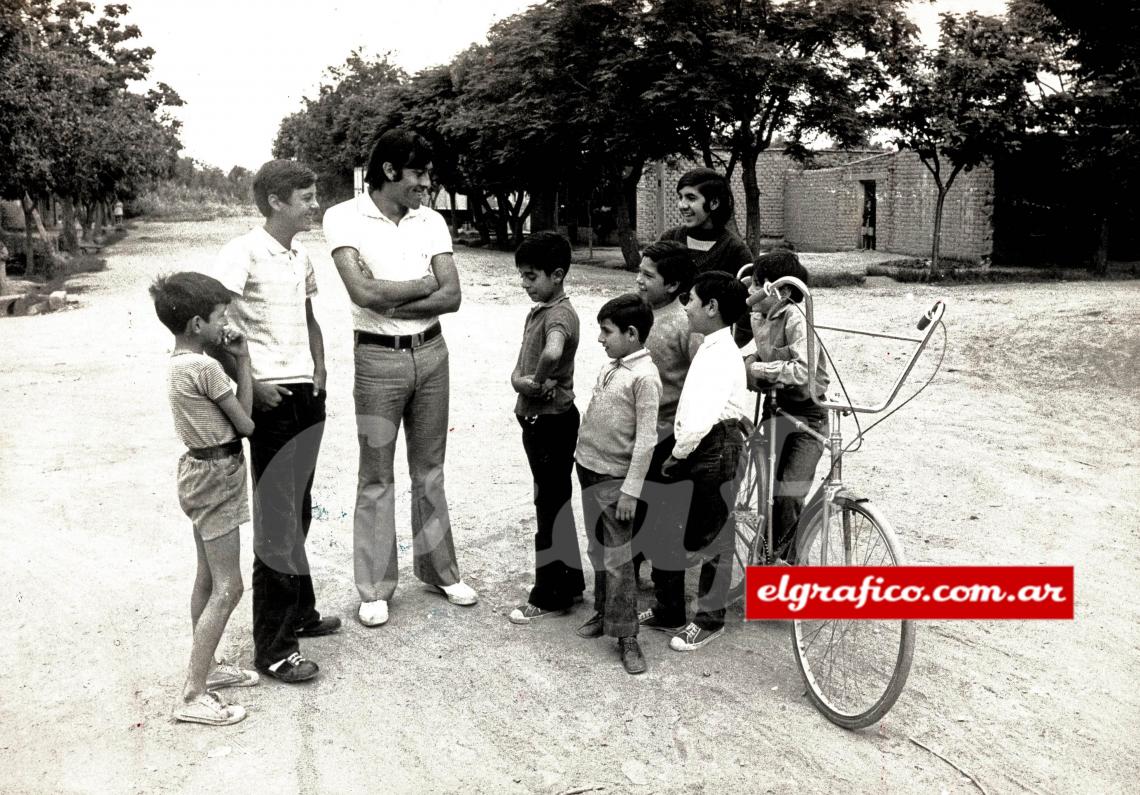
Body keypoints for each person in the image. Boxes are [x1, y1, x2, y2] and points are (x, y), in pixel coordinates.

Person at [323, 128, 478, 629]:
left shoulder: (430, 220)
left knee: (429, 470)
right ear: (390, 171)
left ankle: (439, 571)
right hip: (377, 361)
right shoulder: (343, 218)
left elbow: (452, 297)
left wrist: (392, 292)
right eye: (419, 174)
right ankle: (374, 587)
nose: (427, 184)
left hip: (432, 353)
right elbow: (361, 293)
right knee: (376, 475)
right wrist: (421, 285)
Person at [213, 159, 337, 685]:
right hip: (270, 400)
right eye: (306, 197)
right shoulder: (241, 252)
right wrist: (252, 386)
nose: (315, 204)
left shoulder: (301, 254)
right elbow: (213, 324)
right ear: (276, 201)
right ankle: (274, 649)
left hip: (306, 394)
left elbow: (308, 318)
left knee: (299, 512)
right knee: (278, 523)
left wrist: (322, 371)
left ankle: (300, 615)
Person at [151, 271, 257, 726]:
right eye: (219, 317)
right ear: (197, 324)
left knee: (207, 579)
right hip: (218, 473)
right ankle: (193, 694)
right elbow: (247, 424)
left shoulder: (177, 363)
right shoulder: (206, 367)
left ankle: (208, 669)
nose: (225, 322)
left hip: (197, 471)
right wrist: (244, 359)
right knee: (230, 586)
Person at [646, 272, 750, 651]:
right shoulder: (709, 346)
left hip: (713, 447)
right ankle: (669, 608)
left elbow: (703, 417)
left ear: (712, 307)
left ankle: (709, 619)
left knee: (712, 536)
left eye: (691, 300)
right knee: (666, 526)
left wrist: (677, 454)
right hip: (697, 444)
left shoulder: (722, 355)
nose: (686, 307)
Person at [574, 294, 661, 675]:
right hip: (589, 469)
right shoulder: (614, 365)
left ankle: (627, 635)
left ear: (631, 333)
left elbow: (646, 440)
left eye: (606, 332)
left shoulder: (645, 377)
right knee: (598, 549)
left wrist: (631, 489)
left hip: (615, 480)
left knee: (620, 559)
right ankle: (602, 612)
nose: (599, 339)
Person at [508, 232, 586, 624]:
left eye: (531, 276)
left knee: (548, 504)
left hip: (549, 420)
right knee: (555, 500)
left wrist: (533, 382)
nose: (525, 284)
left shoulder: (557, 314)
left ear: (556, 275)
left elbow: (553, 350)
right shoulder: (548, 307)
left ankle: (549, 593)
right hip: (549, 419)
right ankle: (569, 582)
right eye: (522, 276)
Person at [745, 251, 830, 563]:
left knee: (789, 495)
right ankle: (768, 553)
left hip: (808, 417)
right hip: (775, 409)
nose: (749, 293)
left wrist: (757, 370)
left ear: (776, 291)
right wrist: (751, 358)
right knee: (768, 496)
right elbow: (755, 345)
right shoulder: (759, 315)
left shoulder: (797, 317)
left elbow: (803, 369)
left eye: (755, 285)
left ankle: (788, 564)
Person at [631, 240, 700, 585]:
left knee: (654, 508)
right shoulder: (636, 315)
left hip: (664, 435)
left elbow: (698, 379)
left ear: (672, 285)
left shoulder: (684, 324)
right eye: (639, 272)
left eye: (648, 275)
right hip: (634, 430)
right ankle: (633, 567)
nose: (639, 280)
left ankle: (662, 586)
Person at [660, 168, 753, 277]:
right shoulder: (669, 239)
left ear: (714, 203)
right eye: (680, 197)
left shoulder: (735, 250)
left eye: (691, 198)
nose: (682, 205)